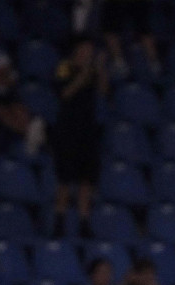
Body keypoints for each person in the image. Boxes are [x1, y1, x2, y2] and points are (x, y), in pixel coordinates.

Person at [51, 36, 107, 238]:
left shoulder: (93, 71)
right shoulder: (64, 67)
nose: (87, 54)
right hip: (67, 130)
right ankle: (59, 221)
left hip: (87, 130)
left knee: (86, 180)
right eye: (84, 50)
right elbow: (65, 93)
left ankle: (84, 222)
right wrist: (84, 73)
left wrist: (100, 69)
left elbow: (103, 90)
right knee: (65, 180)